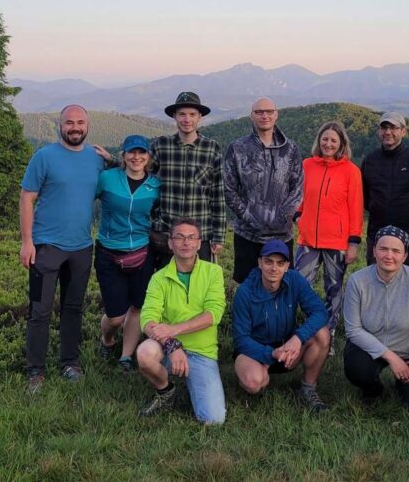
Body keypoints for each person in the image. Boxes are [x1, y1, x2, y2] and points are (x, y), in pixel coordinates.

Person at [19, 105, 108, 393]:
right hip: (45, 248)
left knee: (73, 308)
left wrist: (114, 159)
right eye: (69, 122)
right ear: (59, 125)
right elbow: (26, 198)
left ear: (88, 126)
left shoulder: (96, 160)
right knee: (39, 310)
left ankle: (70, 363)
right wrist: (27, 242)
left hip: (82, 247)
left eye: (80, 122)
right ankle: (36, 371)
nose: (75, 127)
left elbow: (128, 173)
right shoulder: (44, 157)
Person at [343, 226, 409, 421]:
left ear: (405, 255)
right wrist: (391, 357)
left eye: (396, 251)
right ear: (374, 251)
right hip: (371, 348)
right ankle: (373, 390)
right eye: (383, 249)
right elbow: (352, 329)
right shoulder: (357, 281)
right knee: (357, 368)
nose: (389, 255)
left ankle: (404, 383)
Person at [136, 219, 227, 424]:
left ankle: (193, 379)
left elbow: (214, 314)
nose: (185, 242)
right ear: (170, 243)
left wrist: (173, 330)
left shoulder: (213, 272)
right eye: (179, 237)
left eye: (191, 237)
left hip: (202, 352)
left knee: (214, 419)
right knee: (145, 353)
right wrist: (172, 345)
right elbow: (147, 318)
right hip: (167, 348)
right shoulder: (158, 278)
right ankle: (165, 391)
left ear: (198, 243)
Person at [232, 240, 332, 411]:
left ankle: (308, 388)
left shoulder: (295, 280)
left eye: (280, 263)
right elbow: (241, 340)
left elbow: (320, 312)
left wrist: (297, 338)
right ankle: (256, 376)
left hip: (287, 349)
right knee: (255, 382)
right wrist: (269, 353)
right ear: (260, 263)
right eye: (269, 261)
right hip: (254, 351)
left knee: (322, 334)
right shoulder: (244, 292)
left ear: (287, 266)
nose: (274, 268)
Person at [94, 134, 161, 373]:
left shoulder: (155, 185)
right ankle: (108, 340)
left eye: (142, 153)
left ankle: (125, 357)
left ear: (148, 157)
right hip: (108, 252)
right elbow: (84, 198)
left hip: (142, 251)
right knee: (115, 316)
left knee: (137, 307)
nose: (136, 157)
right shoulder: (107, 178)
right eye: (131, 152)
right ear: (123, 155)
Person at [294, 121, 363, 350]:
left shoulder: (351, 171)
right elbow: (300, 196)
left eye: (334, 140)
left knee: (333, 290)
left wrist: (353, 242)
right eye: (325, 139)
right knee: (300, 285)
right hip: (308, 239)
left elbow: (355, 207)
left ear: (341, 143)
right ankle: (304, 330)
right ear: (319, 140)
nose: (328, 144)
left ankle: (328, 334)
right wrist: (298, 217)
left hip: (337, 241)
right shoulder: (307, 165)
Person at [222, 97, 304, 284]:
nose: (264, 115)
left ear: (276, 114)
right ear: (251, 116)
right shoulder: (238, 148)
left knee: (281, 286)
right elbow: (228, 188)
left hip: (281, 235)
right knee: (246, 286)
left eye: (268, 111)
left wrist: (282, 217)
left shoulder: (290, 150)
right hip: (247, 234)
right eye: (259, 112)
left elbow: (297, 188)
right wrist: (250, 218)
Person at [149, 92, 226, 266]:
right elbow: (140, 171)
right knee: (167, 286)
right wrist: (113, 161)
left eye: (192, 114)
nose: (187, 119)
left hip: (200, 235)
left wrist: (219, 235)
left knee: (199, 287)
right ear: (174, 116)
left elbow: (217, 194)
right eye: (182, 114)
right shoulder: (162, 145)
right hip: (168, 234)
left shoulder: (211, 148)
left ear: (200, 117)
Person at [360, 112, 409, 267]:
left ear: (403, 131)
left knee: (407, 284)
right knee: (376, 281)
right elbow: (363, 196)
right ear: (379, 131)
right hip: (377, 234)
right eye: (384, 127)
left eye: (393, 128)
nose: (388, 132)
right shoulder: (370, 161)